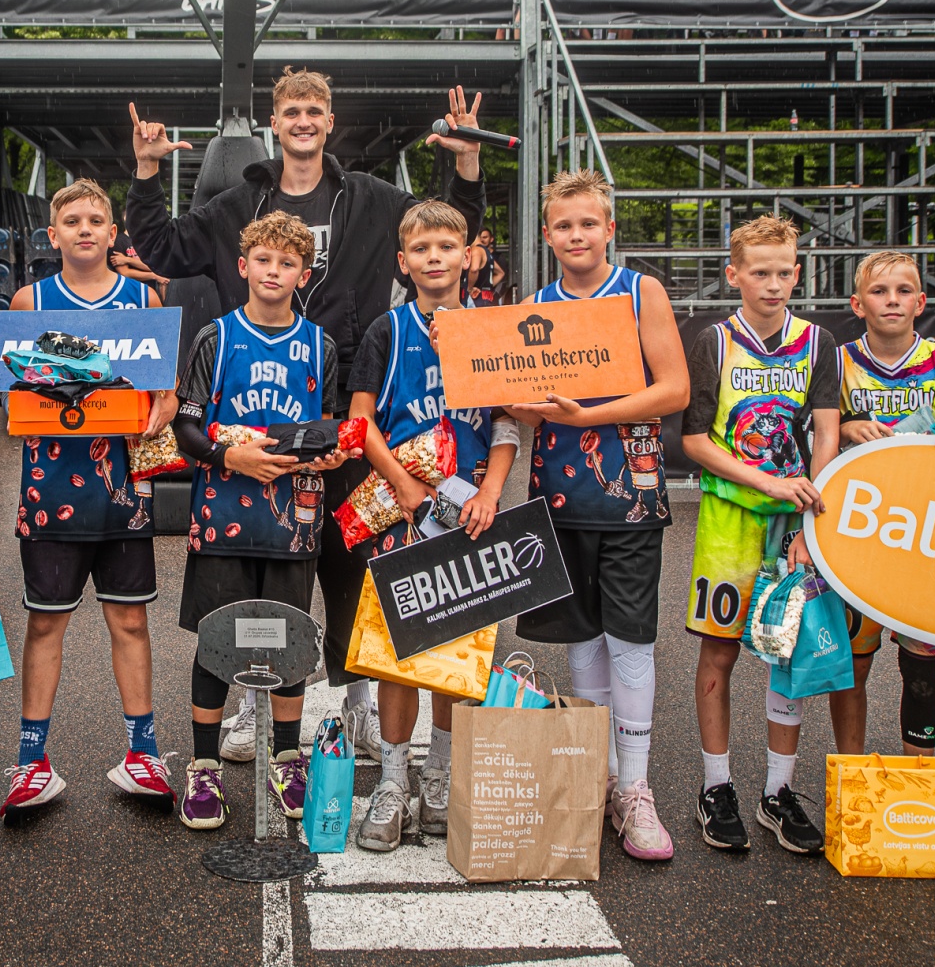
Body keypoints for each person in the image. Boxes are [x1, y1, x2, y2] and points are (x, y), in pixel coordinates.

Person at [126, 71, 488, 762]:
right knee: (261, 567)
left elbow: (444, 228)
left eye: (314, 110)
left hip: (346, 403)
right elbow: (163, 247)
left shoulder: (371, 199)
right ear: (275, 122)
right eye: (291, 109)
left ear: (330, 121)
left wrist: (466, 167)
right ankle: (250, 701)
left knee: (348, 565)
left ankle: (355, 706)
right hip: (259, 417)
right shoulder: (239, 205)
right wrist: (145, 175)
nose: (303, 119)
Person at [502, 170, 691, 861]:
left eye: (588, 223)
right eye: (564, 225)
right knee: (582, 638)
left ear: (609, 228)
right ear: (548, 234)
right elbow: (522, 406)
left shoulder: (641, 292)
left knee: (630, 640)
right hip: (560, 496)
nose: (576, 235)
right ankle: (598, 774)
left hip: (630, 497)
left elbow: (674, 389)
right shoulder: (535, 305)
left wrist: (589, 415)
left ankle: (635, 787)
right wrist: (502, 391)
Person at [0, 180, 179, 823]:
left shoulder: (143, 299)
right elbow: (13, 391)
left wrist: (166, 400)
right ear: (53, 235)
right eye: (71, 220)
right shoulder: (30, 300)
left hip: (122, 490)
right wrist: (82, 373)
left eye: (95, 220)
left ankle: (143, 753)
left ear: (112, 233)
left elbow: (164, 388)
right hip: (50, 487)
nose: (83, 229)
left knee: (130, 621)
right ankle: (32, 761)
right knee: (45, 623)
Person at [345, 201, 520, 852]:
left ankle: (439, 778)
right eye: (421, 249)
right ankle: (394, 781)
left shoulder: (492, 327)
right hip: (404, 509)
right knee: (397, 656)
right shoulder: (386, 331)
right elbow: (360, 422)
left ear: (468, 255)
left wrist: (492, 491)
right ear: (403, 261)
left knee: (456, 655)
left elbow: (507, 421)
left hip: (469, 511)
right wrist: (403, 483)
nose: (435, 258)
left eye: (447, 246)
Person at [169, 212, 347, 830]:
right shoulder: (215, 338)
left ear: (304, 274)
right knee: (218, 640)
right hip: (222, 518)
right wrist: (229, 456)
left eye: (287, 263)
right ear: (244, 267)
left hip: (293, 523)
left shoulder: (320, 346)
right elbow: (186, 427)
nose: (274, 272)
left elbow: (327, 428)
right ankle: (204, 768)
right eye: (264, 261)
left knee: (289, 640)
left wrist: (329, 453)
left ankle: (288, 759)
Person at [680, 215, 842, 856]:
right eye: (759, 272)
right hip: (729, 520)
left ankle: (778, 792)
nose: (772, 284)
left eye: (783, 272)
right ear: (734, 275)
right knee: (718, 653)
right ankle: (715, 786)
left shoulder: (818, 342)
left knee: (788, 653)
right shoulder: (715, 342)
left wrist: (811, 522)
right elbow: (695, 441)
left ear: (797, 274)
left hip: (794, 524)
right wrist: (768, 482)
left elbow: (826, 433)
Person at [831, 250, 935, 758]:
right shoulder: (839, 362)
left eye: (903, 291)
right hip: (858, 531)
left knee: (921, 665)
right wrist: (849, 426)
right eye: (879, 291)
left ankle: (918, 774)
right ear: (858, 303)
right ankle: (850, 772)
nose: (891, 300)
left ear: (921, 301)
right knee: (854, 662)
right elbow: (821, 431)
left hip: (924, 534)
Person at [464, 226, 506, 306]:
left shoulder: (476, 250)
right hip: (487, 296)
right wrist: (487, 286)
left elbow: (474, 269)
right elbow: (500, 273)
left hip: (476, 298)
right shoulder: (486, 252)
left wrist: (469, 288)